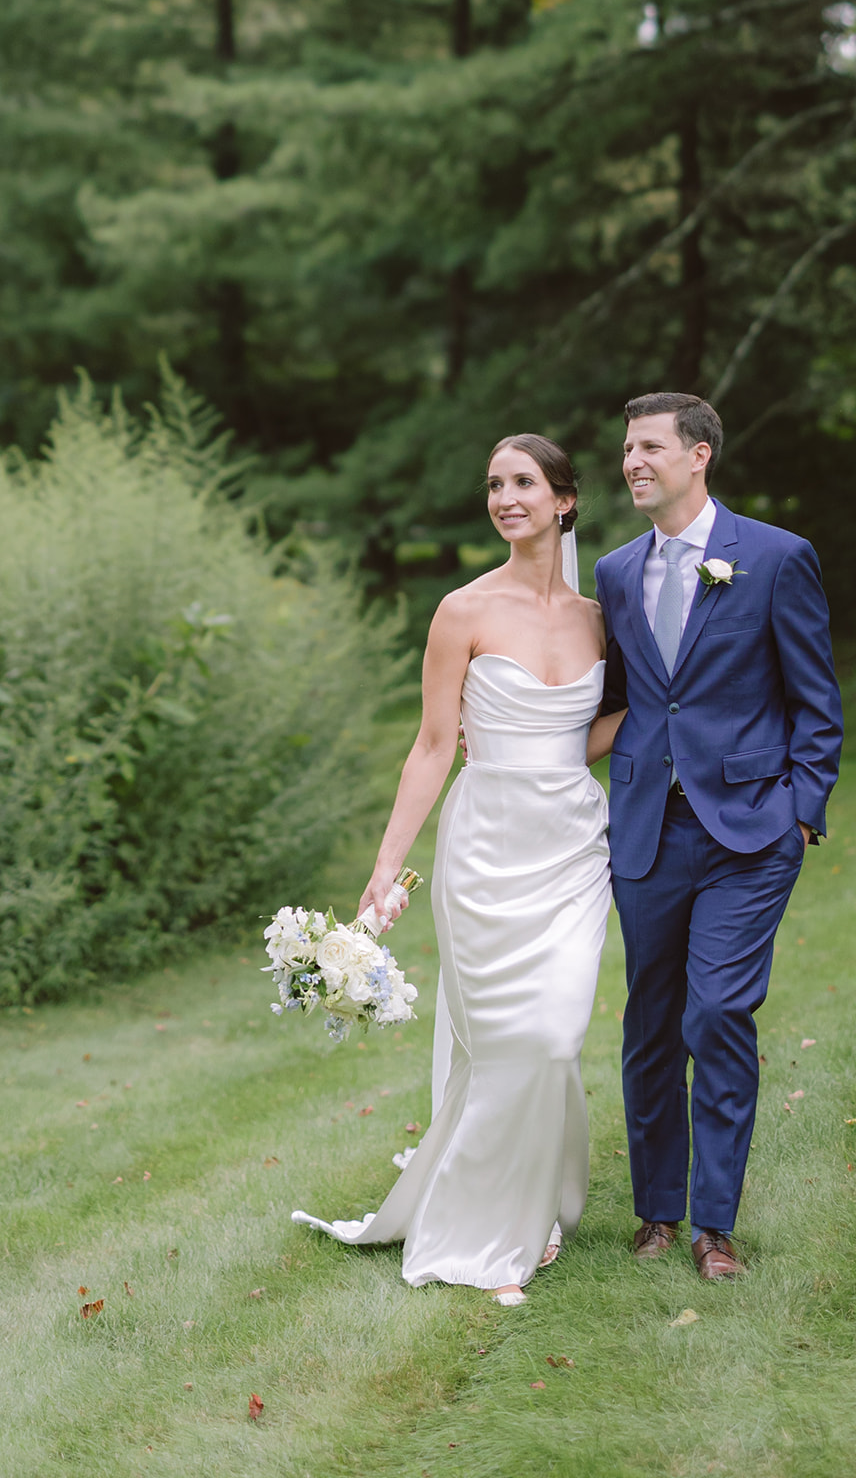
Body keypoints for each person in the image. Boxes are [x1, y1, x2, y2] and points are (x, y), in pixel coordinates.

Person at [293, 435, 623, 1303]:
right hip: (484, 850)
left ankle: (529, 1197)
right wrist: (385, 868)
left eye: (522, 483)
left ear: (563, 501)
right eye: (493, 484)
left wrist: (627, 725)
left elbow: (587, 734)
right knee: (504, 1039)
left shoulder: (597, 619)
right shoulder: (461, 611)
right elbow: (434, 744)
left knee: (553, 1034)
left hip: (573, 849)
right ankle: (507, 1215)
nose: (504, 497)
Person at [594, 392, 843, 1280]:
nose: (632, 462)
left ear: (698, 455)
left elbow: (816, 699)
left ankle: (714, 1227)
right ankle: (657, 1213)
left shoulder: (774, 558)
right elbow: (621, 697)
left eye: (650, 446)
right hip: (644, 832)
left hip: (747, 832)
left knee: (716, 1014)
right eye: (627, 448)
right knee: (651, 1025)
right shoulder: (617, 571)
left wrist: (799, 808)